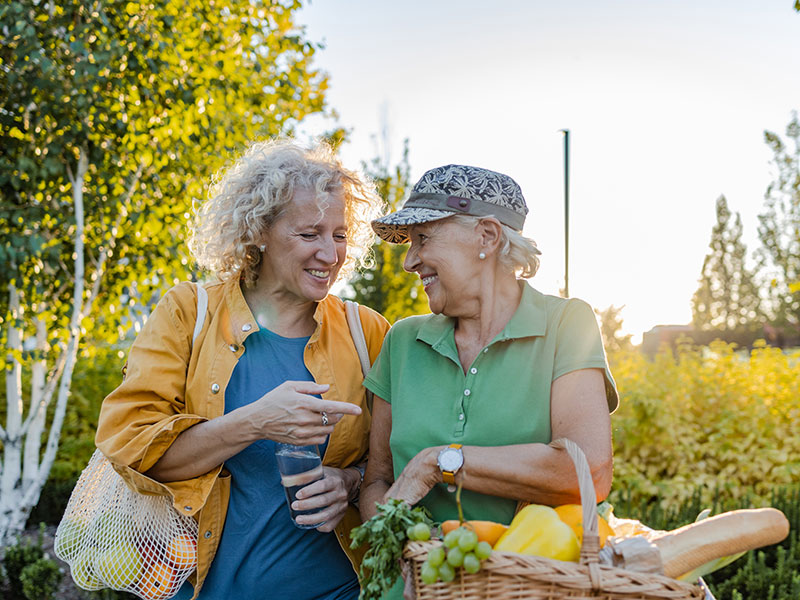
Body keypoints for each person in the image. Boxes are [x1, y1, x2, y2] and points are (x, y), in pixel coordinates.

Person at [95, 139, 389, 600]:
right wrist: (256, 421)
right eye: (309, 234)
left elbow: (393, 460)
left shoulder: (365, 330)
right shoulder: (189, 312)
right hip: (205, 588)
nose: (330, 256)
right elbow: (133, 449)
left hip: (340, 589)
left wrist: (349, 483)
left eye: (340, 235)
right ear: (259, 231)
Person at [360, 164, 619, 597]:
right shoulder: (402, 341)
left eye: (423, 239)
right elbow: (377, 480)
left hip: (524, 586)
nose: (409, 261)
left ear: (487, 236)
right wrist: (397, 538)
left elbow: (587, 469)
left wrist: (439, 463)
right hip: (409, 588)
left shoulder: (566, 325)